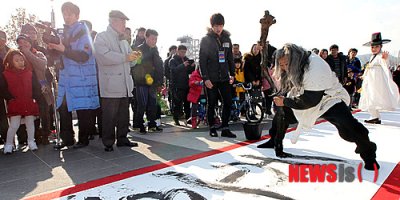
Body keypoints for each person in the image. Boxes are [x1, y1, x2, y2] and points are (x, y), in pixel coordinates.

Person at [257, 43, 380, 171]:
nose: (284, 68)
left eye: (286, 65)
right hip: (305, 94)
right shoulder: (292, 58)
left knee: (349, 129)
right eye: (281, 66)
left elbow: (310, 100)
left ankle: (369, 155)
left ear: (294, 60)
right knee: (282, 114)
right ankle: (275, 141)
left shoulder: (315, 67)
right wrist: (265, 47)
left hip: (329, 99)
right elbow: (279, 54)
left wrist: (286, 102)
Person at [47, 2, 99, 149]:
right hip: (66, 77)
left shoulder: (83, 32)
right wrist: (52, 47)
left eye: (69, 14)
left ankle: (84, 139)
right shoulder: (62, 33)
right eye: (64, 13)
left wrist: (63, 49)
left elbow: (83, 56)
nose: (66, 16)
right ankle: (67, 139)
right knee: (63, 108)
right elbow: (56, 56)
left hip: (82, 77)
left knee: (83, 109)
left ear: (77, 15)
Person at [94, 10, 140, 152]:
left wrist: (135, 58)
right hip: (111, 85)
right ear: (113, 21)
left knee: (123, 115)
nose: (124, 25)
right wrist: (126, 57)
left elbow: (129, 62)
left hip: (125, 85)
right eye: (122, 22)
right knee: (109, 115)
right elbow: (103, 57)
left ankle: (122, 138)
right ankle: (108, 142)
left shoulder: (124, 41)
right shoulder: (101, 37)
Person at [199, 13, 236, 138]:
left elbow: (230, 58)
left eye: (220, 25)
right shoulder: (206, 40)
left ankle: (225, 127)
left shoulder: (227, 39)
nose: (218, 28)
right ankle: (212, 127)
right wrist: (206, 78)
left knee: (228, 101)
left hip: (225, 77)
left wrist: (232, 74)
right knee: (212, 103)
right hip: (212, 78)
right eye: (216, 26)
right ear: (212, 26)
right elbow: (202, 61)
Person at [17, 34, 53, 145]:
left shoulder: (39, 54)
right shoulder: (17, 57)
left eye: (25, 42)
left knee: (44, 112)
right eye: (20, 43)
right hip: (26, 90)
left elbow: (42, 65)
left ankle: (46, 135)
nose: (24, 45)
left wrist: (27, 53)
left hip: (41, 88)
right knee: (32, 114)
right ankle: (35, 136)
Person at [2, 50, 40, 154]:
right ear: (10, 61)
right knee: (14, 124)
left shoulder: (29, 73)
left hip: (28, 101)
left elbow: (35, 86)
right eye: (17, 60)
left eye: (22, 60)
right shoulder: (6, 74)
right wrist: (10, 98)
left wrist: (35, 96)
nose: (20, 62)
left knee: (30, 122)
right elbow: (3, 88)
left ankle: (31, 141)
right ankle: (9, 144)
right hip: (15, 102)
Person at [358, 32, 400, 124]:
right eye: (372, 47)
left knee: (373, 97)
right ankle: (374, 116)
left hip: (376, 81)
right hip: (370, 80)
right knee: (369, 97)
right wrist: (364, 75)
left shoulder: (381, 55)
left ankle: (375, 116)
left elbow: (385, 65)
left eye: (376, 47)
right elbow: (369, 67)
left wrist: (385, 59)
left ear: (381, 47)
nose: (374, 49)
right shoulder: (373, 56)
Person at [132, 29, 164, 134]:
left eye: (156, 39)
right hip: (142, 82)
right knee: (142, 104)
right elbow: (136, 67)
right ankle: (138, 124)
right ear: (146, 37)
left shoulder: (155, 50)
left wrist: (160, 82)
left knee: (152, 104)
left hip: (153, 82)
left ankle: (152, 124)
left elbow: (159, 66)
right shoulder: (139, 49)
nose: (154, 41)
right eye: (152, 38)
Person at [169, 45, 195, 125]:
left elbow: (189, 72)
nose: (183, 54)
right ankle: (176, 118)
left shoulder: (186, 59)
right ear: (177, 51)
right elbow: (173, 70)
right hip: (177, 85)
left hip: (186, 84)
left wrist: (192, 67)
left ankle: (188, 118)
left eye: (184, 52)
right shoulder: (173, 60)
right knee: (177, 103)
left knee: (187, 103)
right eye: (181, 52)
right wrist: (183, 65)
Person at [0, 30, 10, 144]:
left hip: (10, 86)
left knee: (15, 113)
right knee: (2, 115)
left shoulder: (11, 52)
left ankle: (21, 137)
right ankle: (6, 138)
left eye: (2, 39)